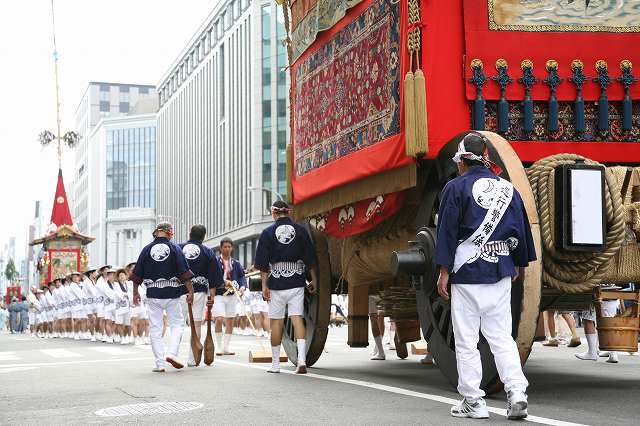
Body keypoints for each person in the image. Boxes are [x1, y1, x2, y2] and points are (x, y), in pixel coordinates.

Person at [435, 132, 536, 420]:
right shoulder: (508, 189)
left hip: (467, 273)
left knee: (467, 340)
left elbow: (447, 234)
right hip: (500, 270)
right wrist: (516, 264)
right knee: (502, 337)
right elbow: (520, 230)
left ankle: (473, 401)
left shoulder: (454, 189)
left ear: (463, 162)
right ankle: (517, 392)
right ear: (486, 158)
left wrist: (443, 271)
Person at [254, 200, 318, 374]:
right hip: (297, 281)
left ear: (274, 213)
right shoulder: (300, 230)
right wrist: (314, 279)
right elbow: (310, 258)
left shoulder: (267, 233)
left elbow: (262, 264)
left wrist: (264, 285)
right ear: (288, 213)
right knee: (297, 319)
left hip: (276, 283)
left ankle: (275, 365)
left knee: (276, 322)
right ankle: (302, 360)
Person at [131, 221, 195, 372]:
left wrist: (135, 292)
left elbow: (137, 273)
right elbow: (184, 271)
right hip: (172, 292)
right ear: (169, 232)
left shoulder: (146, 249)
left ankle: (159, 363)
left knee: (155, 327)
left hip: (153, 292)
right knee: (177, 324)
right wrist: (190, 291)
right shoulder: (174, 248)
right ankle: (172, 353)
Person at [179, 224, 224, 366]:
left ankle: (173, 353)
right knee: (196, 324)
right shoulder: (208, 252)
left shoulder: (178, 248)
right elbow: (214, 278)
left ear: (189, 233)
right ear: (204, 236)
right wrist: (211, 298)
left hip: (178, 290)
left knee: (177, 324)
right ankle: (192, 359)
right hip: (199, 290)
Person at [214, 237, 246, 356]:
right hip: (219, 294)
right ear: (220, 248)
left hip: (233, 294)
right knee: (219, 318)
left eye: (229, 247)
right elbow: (213, 277)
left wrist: (242, 287)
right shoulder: (215, 262)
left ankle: (226, 347)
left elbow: (242, 277)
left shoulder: (236, 263)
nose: (227, 249)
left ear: (232, 248)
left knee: (230, 320)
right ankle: (219, 346)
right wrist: (224, 282)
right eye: (225, 247)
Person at [576, 294, 620, 363]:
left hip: (596, 295)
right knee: (609, 322)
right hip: (612, 294)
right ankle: (613, 353)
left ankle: (592, 352)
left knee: (588, 319)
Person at [114, 269, 132, 345]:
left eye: (123, 275)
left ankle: (127, 336)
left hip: (128, 306)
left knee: (128, 323)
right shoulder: (116, 284)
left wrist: (128, 295)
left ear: (126, 276)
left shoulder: (129, 284)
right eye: (120, 276)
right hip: (120, 306)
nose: (121, 277)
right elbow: (118, 293)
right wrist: (125, 295)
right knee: (119, 323)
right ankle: (122, 337)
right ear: (118, 277)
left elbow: (131, 293)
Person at [368, 295, 386, 360]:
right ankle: (378, 349)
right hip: (382, 294)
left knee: (374, 320)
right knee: (380, 319)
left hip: (371, 295)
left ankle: (381, 352)